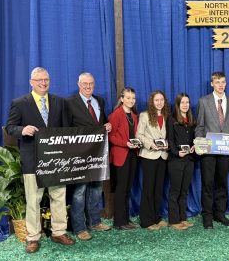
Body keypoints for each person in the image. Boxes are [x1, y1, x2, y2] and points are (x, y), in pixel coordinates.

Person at [6, 67, 75, 253]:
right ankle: (33, 237)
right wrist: (22, 130)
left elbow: (66, 130)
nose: (43, 83)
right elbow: (10, 127)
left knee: (59, 195)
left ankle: (59, 232)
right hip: (32, 159)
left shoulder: (59, 102)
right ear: (31, 82)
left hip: (56, 160)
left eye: (46, 80)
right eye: (39, 80)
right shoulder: (20, 103)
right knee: (33, 199)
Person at [66, 72, 112, 241]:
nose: (88, 86)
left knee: (96, 189)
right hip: (79, 155)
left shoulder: (99, 101)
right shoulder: (69, 102)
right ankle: (79, 227)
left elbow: (100, 122)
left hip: (98, 154)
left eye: (91, 83)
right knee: (79, 191)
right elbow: (66, 128)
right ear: (79, 85)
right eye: (85, 84)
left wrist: (107, 125)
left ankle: (95, 221)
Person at [195, 71, 229, 229]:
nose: (220, 85)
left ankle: (220, 213)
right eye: (217, 82)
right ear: (212, 84)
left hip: (226, 151)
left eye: (223, 82)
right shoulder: (204, 101)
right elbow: (199, 127)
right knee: (207, 183)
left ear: (226, 84)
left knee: (222, 183)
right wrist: (200, 145)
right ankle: (207, 216)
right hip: (208, 152)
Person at [136, 90, 169, 230]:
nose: (159, 102)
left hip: (163, 156)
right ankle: (146, 221)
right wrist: (150, 144)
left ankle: (156, 217)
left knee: (158, 188)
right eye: (156, 100)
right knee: (148, 188)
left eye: (161, 99)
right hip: (149, 155)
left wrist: (168, 144)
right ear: (152, 101)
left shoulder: (167, 116)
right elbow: (139, 134)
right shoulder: (144, 115)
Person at [108, 87, 140, 230]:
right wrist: (125, 143)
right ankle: (119, 222)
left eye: (133, 98)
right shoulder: (116, 115)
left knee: (127, 188)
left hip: (133, 154)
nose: (131, 100)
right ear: (121, 99)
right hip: (121, 155)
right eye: (128, 98)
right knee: (121, 189)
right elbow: (110, 136)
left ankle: (126, 219)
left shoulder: (134, 115)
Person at [166, 93, 196, 231]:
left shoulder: (191, 119)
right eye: (182, 102)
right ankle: (174, 220)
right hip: (176, 160)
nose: (185, 105)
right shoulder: (171, 119)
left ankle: (183, 218)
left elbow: (193, 139)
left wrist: (195, 146)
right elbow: (170, 140)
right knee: (175, 190)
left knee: (184, 190)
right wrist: (177, 152)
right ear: (178, 105)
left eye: (187, 102)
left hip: (189, 159)